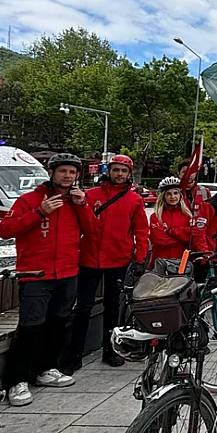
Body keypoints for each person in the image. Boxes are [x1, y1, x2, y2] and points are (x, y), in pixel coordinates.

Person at [0, 153, 97, 406]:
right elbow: (5, 230)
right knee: (31, 327)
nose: (67, 176)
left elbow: (94, 231)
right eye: (63, 171)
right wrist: (39, 212)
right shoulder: (29, 200)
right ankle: (17, 380)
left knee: (58, 324)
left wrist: (83, 206)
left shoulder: (76, 202)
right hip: (35, 274)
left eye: (72, 172)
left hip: (67, 273)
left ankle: (46, 369)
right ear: (51, 172)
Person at [63, 154, 148, 374]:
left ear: (129, 174)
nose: (119, 174)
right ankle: (75, 353)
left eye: (123, 171)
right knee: (83, 307)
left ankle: (110, 350)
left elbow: (141, 232)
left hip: (118, 260)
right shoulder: (90, 196)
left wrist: (140, 259)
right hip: (89, 258)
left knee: (113, 307)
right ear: (108, 171)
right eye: (116, 170)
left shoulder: (135, 200)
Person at [149, 177, 193, 269]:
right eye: (168, 194)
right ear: (163, 196)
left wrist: (171, 231)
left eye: (175, 193)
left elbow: (192, 236)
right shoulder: (156, 216)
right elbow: (159, 240)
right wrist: (182, 237)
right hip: (162, 261)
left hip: (183, 261)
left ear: (180, 195)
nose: (173, 197)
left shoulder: (188, 215)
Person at [177, 158, 215, 255]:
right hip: (181, 238)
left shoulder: (204, 191)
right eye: (184, 172)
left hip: (201, 238)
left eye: (191, 172)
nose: (188, 175)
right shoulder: (174, 193)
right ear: (179, 174)